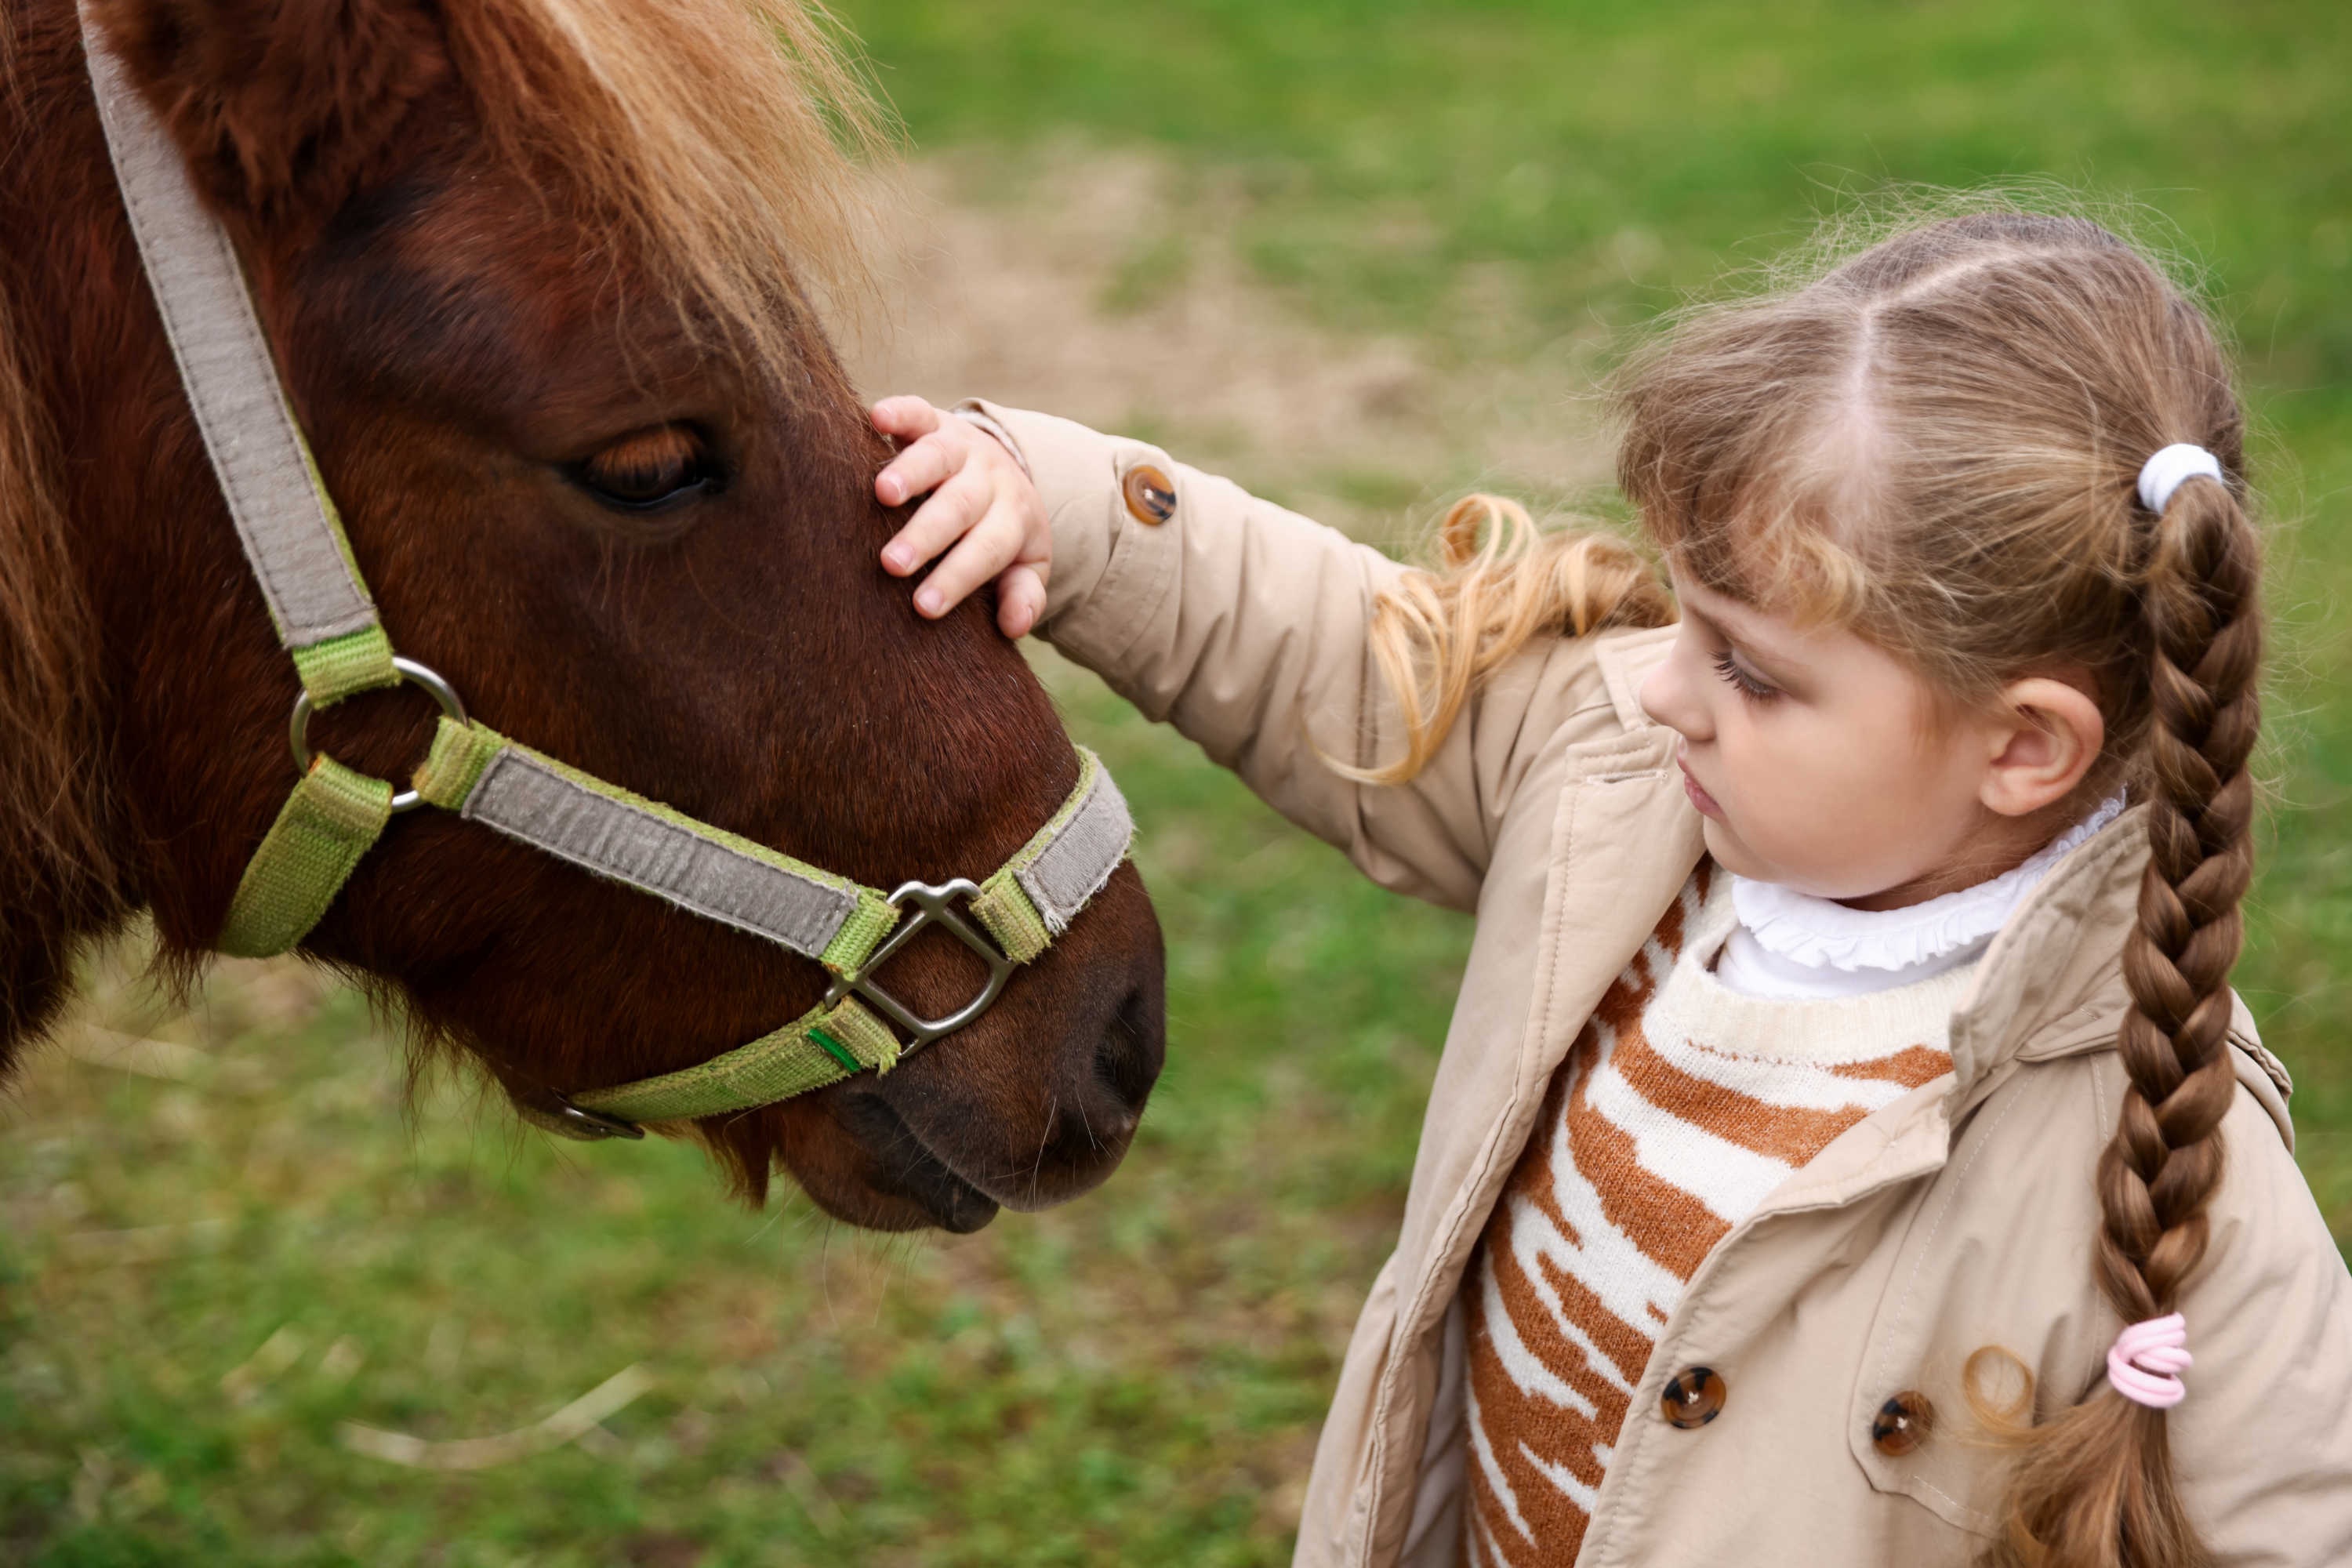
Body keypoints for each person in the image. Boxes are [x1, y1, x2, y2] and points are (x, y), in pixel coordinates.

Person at [865, 212, 2352, 1567]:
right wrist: (1055, 506)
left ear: (2022, 745)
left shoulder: (2174, 1189)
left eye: (1753, 672)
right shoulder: (1629, 775)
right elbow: (1339, 647)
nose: (1664, 689)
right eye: (1685, 622)